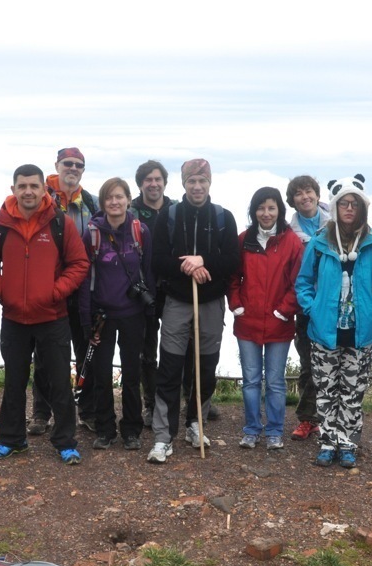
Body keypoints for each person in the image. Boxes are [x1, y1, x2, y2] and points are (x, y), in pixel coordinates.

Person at [0, 164, 89, 465]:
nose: (28, 191)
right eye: (22, 186)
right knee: (14, 380)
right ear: (13, 189)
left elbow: (79, 264)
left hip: (53, 316)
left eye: (33, 186)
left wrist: (54, 292)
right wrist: (3, 290)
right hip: (14, 317)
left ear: (44, 188)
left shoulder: (59, 223)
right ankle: (13, 440)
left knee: (58, 381)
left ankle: (65, 442)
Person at [297, 175, 372, 470]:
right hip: (323, 332)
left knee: (352, 392)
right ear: (334, 207)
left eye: (354, 204)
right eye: (343, 203)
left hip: (360, 333)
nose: (348, 209)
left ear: (362, 208)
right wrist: (314, 308)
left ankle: (347, 443)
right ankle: (327, 442)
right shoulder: (320, 243)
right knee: (326, 390)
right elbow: (303, 282)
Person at [147, 159, 239, 463]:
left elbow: (232, 261)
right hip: (177, 302)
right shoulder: (169, 217)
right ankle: (163, 436)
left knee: (205, 366)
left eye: (202, 181)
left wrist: (203, 261)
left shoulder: (224, 217)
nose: (197, 187)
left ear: (210, 183)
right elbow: (157, 260)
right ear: (183, 184)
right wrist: (186, 266)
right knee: (170, 367)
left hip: (211, 302)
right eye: (191, 182)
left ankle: (195, 424)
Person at [27, 148, 100, 435]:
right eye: (67, 163)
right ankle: (41, 414)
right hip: (47, 289)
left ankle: (87, 410)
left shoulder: (90, 202)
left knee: (86, 350)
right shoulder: (38, 196)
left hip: (82, 289)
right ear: (56, 165)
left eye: (78, 165)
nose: (73, 168)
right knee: (45, 354)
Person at [80, 177, 155, 451]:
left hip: (133, 314)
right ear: (103, 203)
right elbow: (84, 280)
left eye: (119, 196)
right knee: (101, 375)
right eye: (109, 198)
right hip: (102, 314)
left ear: (127, 199)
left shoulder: (140, 231)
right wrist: (86, 319)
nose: (115, 202)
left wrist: (150, 308)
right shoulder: (92, 234)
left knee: (132, 374)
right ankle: (105, 429)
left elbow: (148, 272)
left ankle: (132, 430)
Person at [228, 187, 304, 450]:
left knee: (274, 381)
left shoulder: (291, 241)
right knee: (250, 380)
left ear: (280, 210)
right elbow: (232, 276)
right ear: (254, 211)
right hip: (247, 321)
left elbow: (299, 281)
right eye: (261, 208)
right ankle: (251, 429)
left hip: (279, 323)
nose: (266, 213)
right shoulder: (242, 240)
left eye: (271, 208)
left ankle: (273, 431)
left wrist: (284, 310)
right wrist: (236, 304)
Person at [130, 160, 175, 429]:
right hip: (142, 290)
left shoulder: (176, 210)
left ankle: (182, 398)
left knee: (177, 347)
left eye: (158, 179)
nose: (153, 184)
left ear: (164, 182)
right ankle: (150, 404)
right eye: (148, 179)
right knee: (146, 351)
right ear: (140, 183)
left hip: (172, 289)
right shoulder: (131, 211)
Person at [285, 175, 330, 442]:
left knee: (333, 363)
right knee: (308, 363)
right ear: (292, 201)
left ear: (317, 194)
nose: (305, 197)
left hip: (335, 303)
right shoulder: (289, 233)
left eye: (309, 191)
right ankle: (307, 419)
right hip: (304, 305)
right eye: (299, 193)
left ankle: (328, 419)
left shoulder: (336, 222)